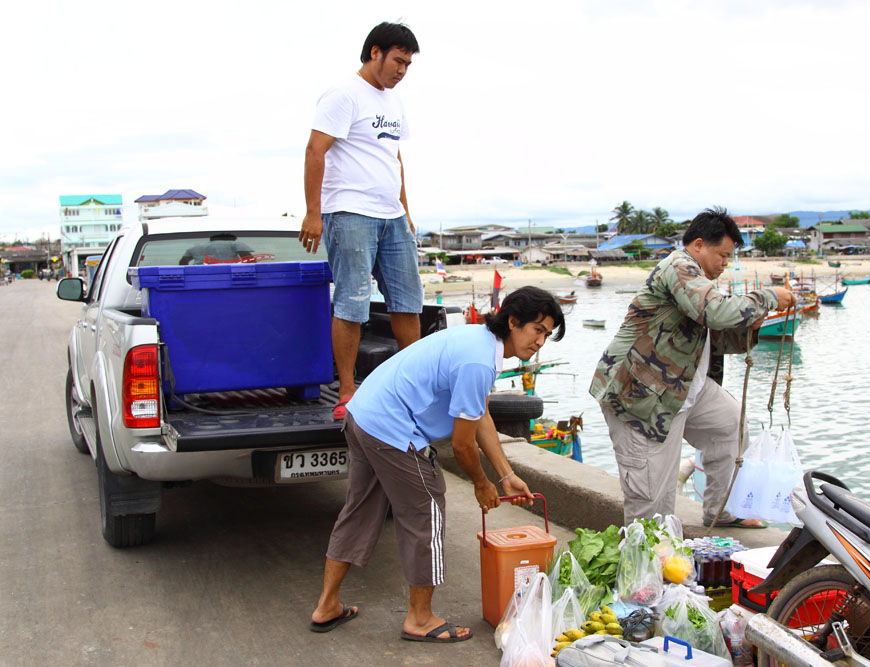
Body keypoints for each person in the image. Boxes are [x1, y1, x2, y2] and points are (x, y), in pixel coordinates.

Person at [309, 286, 566, 642]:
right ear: (513, 321)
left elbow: (479, 416)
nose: (540, 341)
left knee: (359, 511)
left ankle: (327, 606)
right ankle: (420, 618)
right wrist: (481, 483)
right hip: (391, 428)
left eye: (547, 334)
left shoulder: (477, 340)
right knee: (426, 511)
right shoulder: (479, 360)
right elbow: (462, 445)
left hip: (363, 415)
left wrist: (505, 475)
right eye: (537, 329)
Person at [589, 207, 796, 528]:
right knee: (653, 501)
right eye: (722, 255)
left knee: (731, 424)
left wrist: (751, 321)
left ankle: (722, 510)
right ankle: (642, 568)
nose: (725, 263)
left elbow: (719, 335)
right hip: (641, 395)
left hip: (682, 387)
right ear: (698, 244)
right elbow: (714, 311)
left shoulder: (700, 280)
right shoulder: (678, 266)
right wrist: (768, 297)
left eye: (729, 257)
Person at [298, 22, 424, 420]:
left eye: (408, 64)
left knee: (408, 302)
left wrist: (406, 210)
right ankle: (347, 390)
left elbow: (395, 159)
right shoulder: (343, 95)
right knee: (352, 302)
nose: (402, 71)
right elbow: (315, 151)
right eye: (398, 61)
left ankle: (412, 386)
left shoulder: (395, 102)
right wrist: (313, 213)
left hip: (392, 216)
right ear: (375, 53)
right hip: (350, 211)